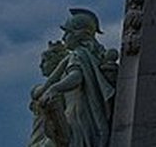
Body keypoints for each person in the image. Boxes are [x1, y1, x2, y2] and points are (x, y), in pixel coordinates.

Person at [37, 9, 118, 147]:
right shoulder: (86, 55)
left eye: (67, 33)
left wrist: (54, 88)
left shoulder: (78, 54)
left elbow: (76, 77)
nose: (63, 38)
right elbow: (55, 76)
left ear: (80, 35)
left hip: (78, 117)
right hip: (84, 115)